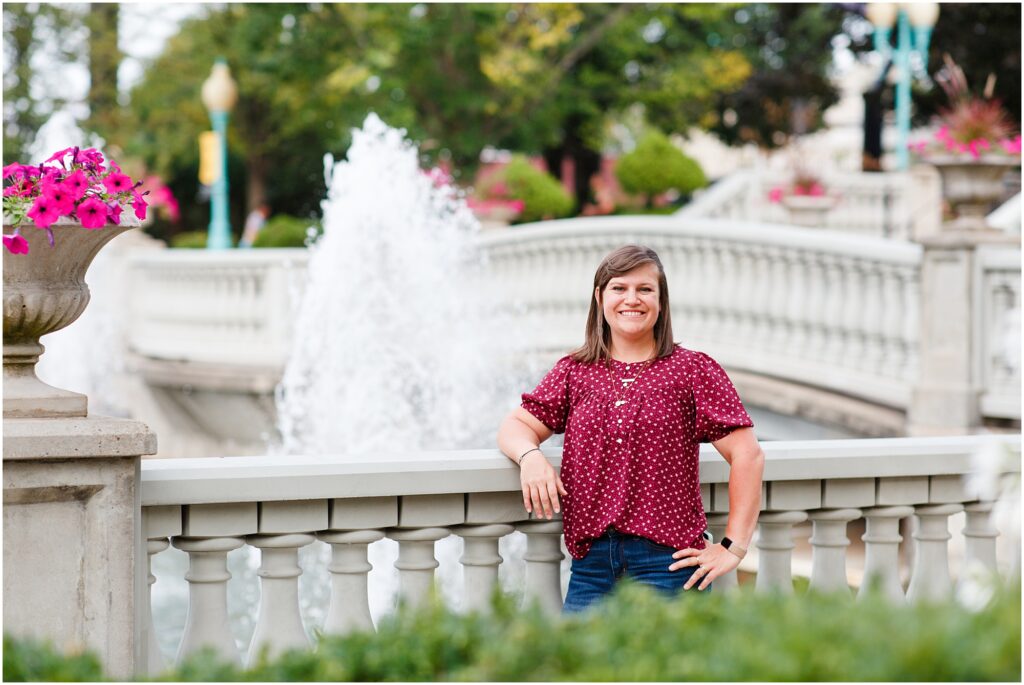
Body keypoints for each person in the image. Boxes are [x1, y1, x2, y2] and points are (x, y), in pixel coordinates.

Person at [497, 244, 764, 613]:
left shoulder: (693, 370)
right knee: (581, 670)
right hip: (591, 567)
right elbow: (516, 425)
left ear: (660, 299)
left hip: (668, 566)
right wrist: (530, 457)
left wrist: (733, 546)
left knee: (660, 672)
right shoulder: (575, 371)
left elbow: (747, 454)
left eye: (644, 289)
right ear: (599, 297)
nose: (631, 299)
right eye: (619, 288)